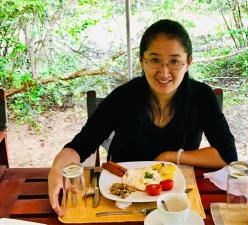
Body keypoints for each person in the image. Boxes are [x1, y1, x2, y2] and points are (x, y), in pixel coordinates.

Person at [48, 19, 237, 215]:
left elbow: (227, 156)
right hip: (121, 196)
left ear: (188, 62)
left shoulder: (201, 96)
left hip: (175, 197)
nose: (164, 72)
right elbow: (80, 146)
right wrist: (56, 167)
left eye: (174, 61)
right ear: (141, 60)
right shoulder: (123, 97)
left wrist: (172, 156)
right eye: (154, 60)